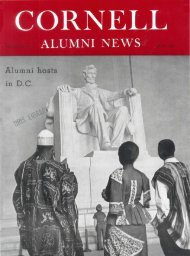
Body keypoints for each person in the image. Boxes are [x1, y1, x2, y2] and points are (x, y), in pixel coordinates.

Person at [12, 129, 84, 256]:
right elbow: (69, 198)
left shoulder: (24, 168)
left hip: (32, 229)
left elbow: (18, 197)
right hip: (56, 228)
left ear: (37, 148)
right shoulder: (59, 168)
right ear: (52, 150)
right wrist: (68, 175)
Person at [46, 64, 137, 150]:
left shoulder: (100, 91)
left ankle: (115, 145)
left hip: (103, 116)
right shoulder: (79, 91)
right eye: (90, 73)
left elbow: (114, 94)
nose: (93, 76)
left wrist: (126, 91)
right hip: (87, 118)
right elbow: (68, 90)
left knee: (123, 109)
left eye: (94, 74)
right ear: (84, 75)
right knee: (95, 105)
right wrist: (64, 87)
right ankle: (105, 143)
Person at [102, 141, 151, 256]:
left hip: (119, 223)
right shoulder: (142, 176)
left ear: (119, 156)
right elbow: (147, 201)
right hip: (138, 223)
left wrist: (105, 195)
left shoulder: (117, 174)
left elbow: (114, 205)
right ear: (136, 157)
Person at [151, 139, 190, 256]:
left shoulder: (163, 172)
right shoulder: (187, 168)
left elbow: (162, 203)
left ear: (160, 153)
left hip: (174, 226)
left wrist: (162, 226)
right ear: (174, 150)